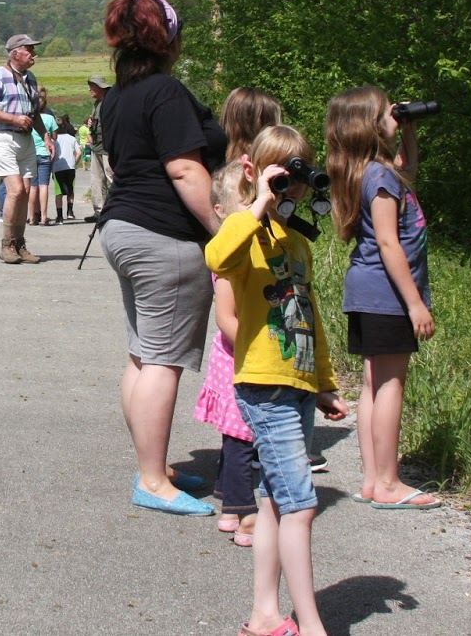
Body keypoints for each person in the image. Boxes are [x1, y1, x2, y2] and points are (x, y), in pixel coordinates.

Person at [206, 125, 348, 636]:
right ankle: (310, 624)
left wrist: (325, 381)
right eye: (280, 173)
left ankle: (265, 615)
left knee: (272, 499)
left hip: (298, 381)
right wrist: (259, 202)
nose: (293, 184)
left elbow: (310, 314)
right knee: (301, 505)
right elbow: (217, 258)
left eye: (299, 174)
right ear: (252, 171)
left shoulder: (297, 242)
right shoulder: (244, 233)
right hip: (264, 384)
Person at [97, 0, 226, 515]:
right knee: (163, 361)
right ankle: (152, 480)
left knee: (142, 353)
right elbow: (184, 169)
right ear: (167, 37)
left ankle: (154, 466)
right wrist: (220, 230)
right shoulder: (166, 92)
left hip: (123, 227)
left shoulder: (116, 96)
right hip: (163, 237)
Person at [324, 86, 440, 510]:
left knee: (374, 384)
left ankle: (374, 479)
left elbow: (406, 166)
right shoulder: (382, 177)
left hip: (365, 290)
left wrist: (407, 131)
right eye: (386, 110)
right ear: (368, 125)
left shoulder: (365, 170)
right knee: (391, 383)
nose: (395, 112)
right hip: (387, 294)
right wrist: (415, 304)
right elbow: (390, 244)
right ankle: (389, 483)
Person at [193, 165, 258, 547]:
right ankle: (243, 509)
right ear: (220, 211)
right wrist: (257, 349)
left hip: (247, 354)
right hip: (238, 357)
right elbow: (225, 318)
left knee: (238, 436)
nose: (254, 209)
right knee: (240, 439)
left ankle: (229, 503)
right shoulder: (228, 261)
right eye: (245, 202)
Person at [0, 33, 45, 264]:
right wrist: (13, 119)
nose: (34, 54)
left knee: (25, 191)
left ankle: (19, 243)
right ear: (16, 53)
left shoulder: (31, 78)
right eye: (30, 50)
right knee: (15, 190)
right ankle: (6, 245)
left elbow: (34, 115)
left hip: (25, 139)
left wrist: (46, 137)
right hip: (1, 137)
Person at [28, 87, 58, 225]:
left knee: (33, 187)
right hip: (45, 153)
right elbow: (54, 137)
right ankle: (44, 216)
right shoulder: (50, 118)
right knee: (44, 185)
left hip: (32, 153)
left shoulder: (31, 119)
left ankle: (32, 216)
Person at [85, 75, 112, 215]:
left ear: (100, 87)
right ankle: (99, 211)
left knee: (111, 176)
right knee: (96, 179)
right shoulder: (96, 104)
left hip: (108, 146)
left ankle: (119, 208)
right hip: (96, 145)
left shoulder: (110, 102)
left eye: (92, 86)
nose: (90, 90)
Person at [51, 116, 78, 223]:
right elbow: (79, 152)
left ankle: (59, 216)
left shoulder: (54, 140)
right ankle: (70, 212)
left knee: (59, 192)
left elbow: (51, 154)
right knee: (70, 190)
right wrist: (74, 162)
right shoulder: (72, 138)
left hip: (58, 167)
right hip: (70, 167)